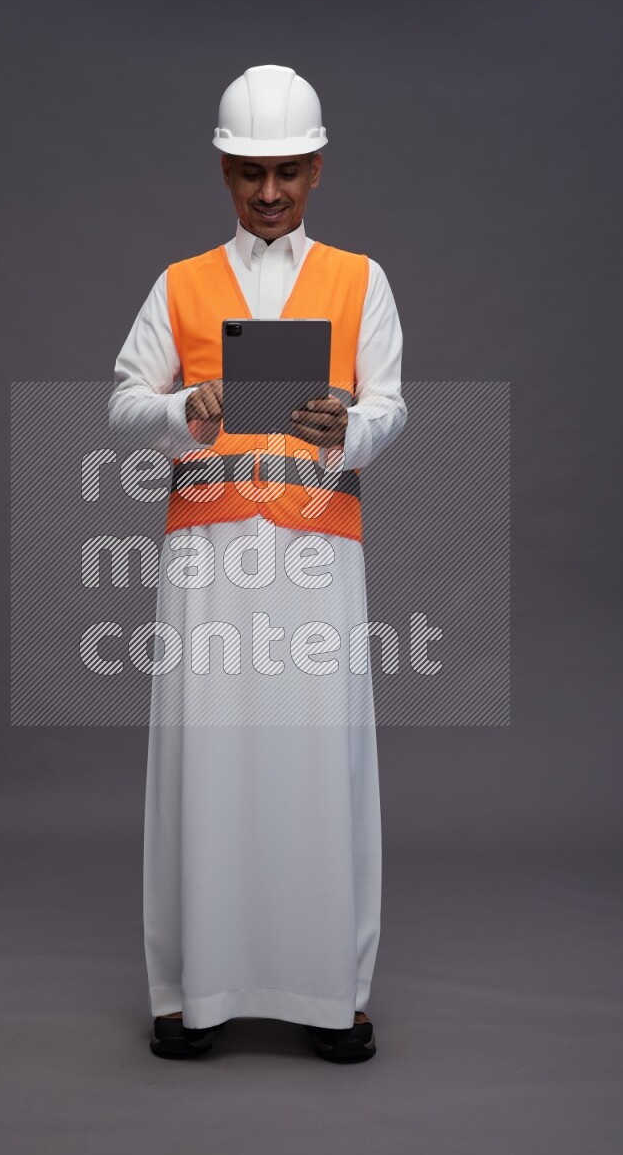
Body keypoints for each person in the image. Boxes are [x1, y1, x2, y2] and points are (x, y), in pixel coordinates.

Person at [107, 64, 407, 1063]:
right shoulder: (180, 283)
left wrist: (344, 430)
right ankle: (192, 989)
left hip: (318, 557)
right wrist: (177, 409)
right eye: (248, 173)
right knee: (205, 760)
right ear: (223, 172)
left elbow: (389, 407)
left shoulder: (361, 279)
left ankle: (333, 993)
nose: (268, 191)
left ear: (316, 169)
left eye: (285, 170)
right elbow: (123, 403)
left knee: (321, 762)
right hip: (206, 558)